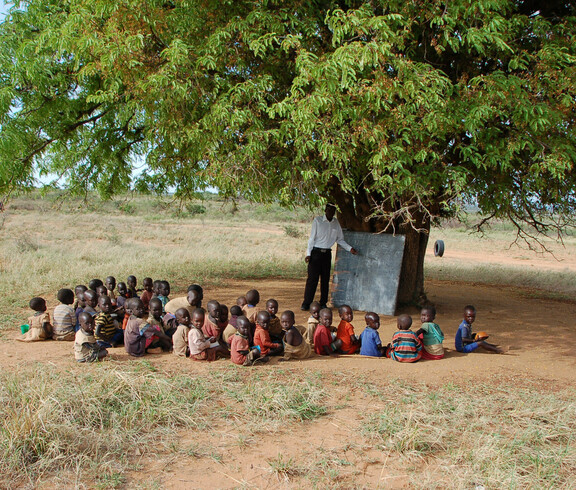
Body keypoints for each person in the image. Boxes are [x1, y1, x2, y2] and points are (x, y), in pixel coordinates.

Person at [301, 203, 358, 311]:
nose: (331, 212)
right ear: (325, 209)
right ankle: (306, 303)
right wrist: (308, 254)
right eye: (329, 209)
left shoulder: (336, 223)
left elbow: (340, 239)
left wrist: (349, 248)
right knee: (312, 280)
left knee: (325, 280)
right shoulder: (318, 221)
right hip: (316, 253)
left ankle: (323, 303)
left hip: (327, 254)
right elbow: (311, 239)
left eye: (333, 210)